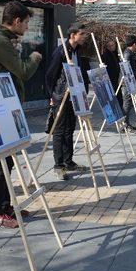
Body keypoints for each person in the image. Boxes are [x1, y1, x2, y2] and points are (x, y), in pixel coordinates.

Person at [0, 1, 42, 228]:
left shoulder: (3, 39)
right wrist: (35, 57)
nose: (27, 28)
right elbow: (24, 71)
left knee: (8, 161)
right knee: (2, 161)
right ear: (16, 21)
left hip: (7, 105)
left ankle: (5, 205)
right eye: (26, 22)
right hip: (1, 108)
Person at [45, 22, 90, 180]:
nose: (85, 37)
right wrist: (52, 96)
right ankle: (59, 165)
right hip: (61, 96)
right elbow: (50, 75)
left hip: (74, 96)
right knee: (59, 131)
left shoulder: (76, 51)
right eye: (82, 34)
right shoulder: (61, 52)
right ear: (73, 35)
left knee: (70, 129)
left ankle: (68, 160)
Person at [121, 35, 136, 132]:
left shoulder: (130, 53)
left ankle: (127, 123)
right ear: (134, 44)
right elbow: (127, 71)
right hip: (127, 82)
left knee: (130, 103)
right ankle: (124, 124)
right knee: (127, 103)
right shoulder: (127, 54)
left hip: (130, 82)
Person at [101, 40, 123, 108]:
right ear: (107, 47)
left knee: (118, 95)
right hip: (111, 79)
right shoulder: (105, 55)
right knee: (114, 96)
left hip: (116, 78)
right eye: (110, 46)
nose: (112, 47)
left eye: (113, 45)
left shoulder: (115, 53)